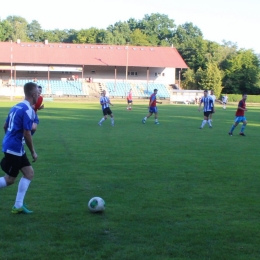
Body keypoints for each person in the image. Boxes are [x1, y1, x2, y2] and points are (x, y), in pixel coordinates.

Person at [0, 82, 38, 214]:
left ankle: (18, 206)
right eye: (38, 94)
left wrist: (9, 140)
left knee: (29, 173)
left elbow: (5, 126)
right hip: (14, 148)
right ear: (33, 95)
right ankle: (17, 206)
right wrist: (33, 151)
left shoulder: (16, 106)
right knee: (9, 179)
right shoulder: (28, 110)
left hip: (14, 147)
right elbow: (27, 133)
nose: (39, 96)